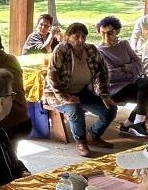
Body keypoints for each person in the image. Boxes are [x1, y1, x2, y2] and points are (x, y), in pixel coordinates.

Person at [43, 22, 117, 158]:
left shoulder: (91, 50)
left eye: (83, 37)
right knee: (75, 109)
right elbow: (52, 76)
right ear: (68, 37)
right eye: (76, 37)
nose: (81, 40)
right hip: (57, 94)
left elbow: (102, 72)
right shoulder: (61, 50)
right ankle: (81, 141)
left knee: (110, 108)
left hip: (82, 92)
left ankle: (93, 135)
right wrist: (65, 98)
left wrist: (104, 95)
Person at [96, 16, 148, 139]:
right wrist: (129, 68)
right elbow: (109, 75)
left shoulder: (124, 44)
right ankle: (134, 124)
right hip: (114, 89)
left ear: (117, 32)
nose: (106, 37)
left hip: (132, 83)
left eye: (110, 33)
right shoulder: (99, 51)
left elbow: (139, 65)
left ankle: (131, 124)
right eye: (103, 33)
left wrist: (123, 68)